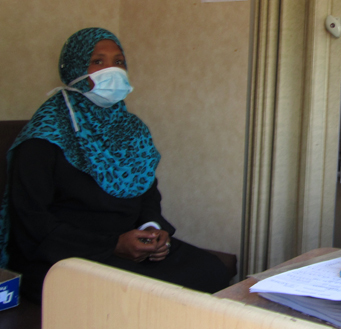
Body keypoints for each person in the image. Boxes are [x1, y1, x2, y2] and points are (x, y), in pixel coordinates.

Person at [0, 27, 231, 303]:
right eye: (98, 61)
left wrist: (152, 231)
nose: (112, 70)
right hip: (64, 254)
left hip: (127, 244)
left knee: (210, 271)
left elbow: (147, 192)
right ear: (75, 68)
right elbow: (31, 221)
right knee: (143, 294)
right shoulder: (44, 136)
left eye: (119, 61)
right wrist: (113, 245)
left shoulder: (132, 130)